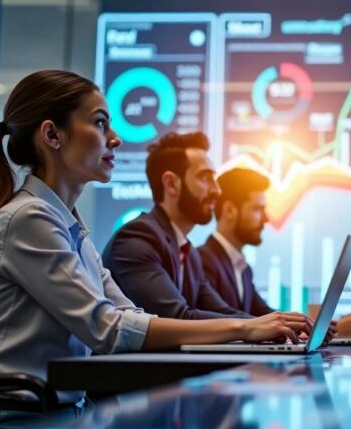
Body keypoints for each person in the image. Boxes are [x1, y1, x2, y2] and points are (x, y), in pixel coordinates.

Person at [0, 70, 312, 426]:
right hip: (8, 424)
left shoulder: (67, 225)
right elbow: (107, 329)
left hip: (59, 419)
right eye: (99, 123)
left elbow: (130, 315)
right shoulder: (28, 219)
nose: (115, 138)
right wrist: (243, 330)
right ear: (52, 135)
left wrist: (256, 329)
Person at [103, 131, 259, 320]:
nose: (217, 191)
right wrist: (259, 327)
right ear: (171, 184)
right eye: (205, 178)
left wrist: (275, 327)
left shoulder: (190, 254)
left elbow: (222, 313)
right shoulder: (136, 239)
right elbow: (175, 317)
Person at [199, 167, 351, 337]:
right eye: (257, 209)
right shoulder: (203, 260)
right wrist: (333, 330)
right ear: (229, 211)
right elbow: (227, 319)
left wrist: (328, 327)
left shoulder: (243, 268)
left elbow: (266, 315)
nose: (265, 219)